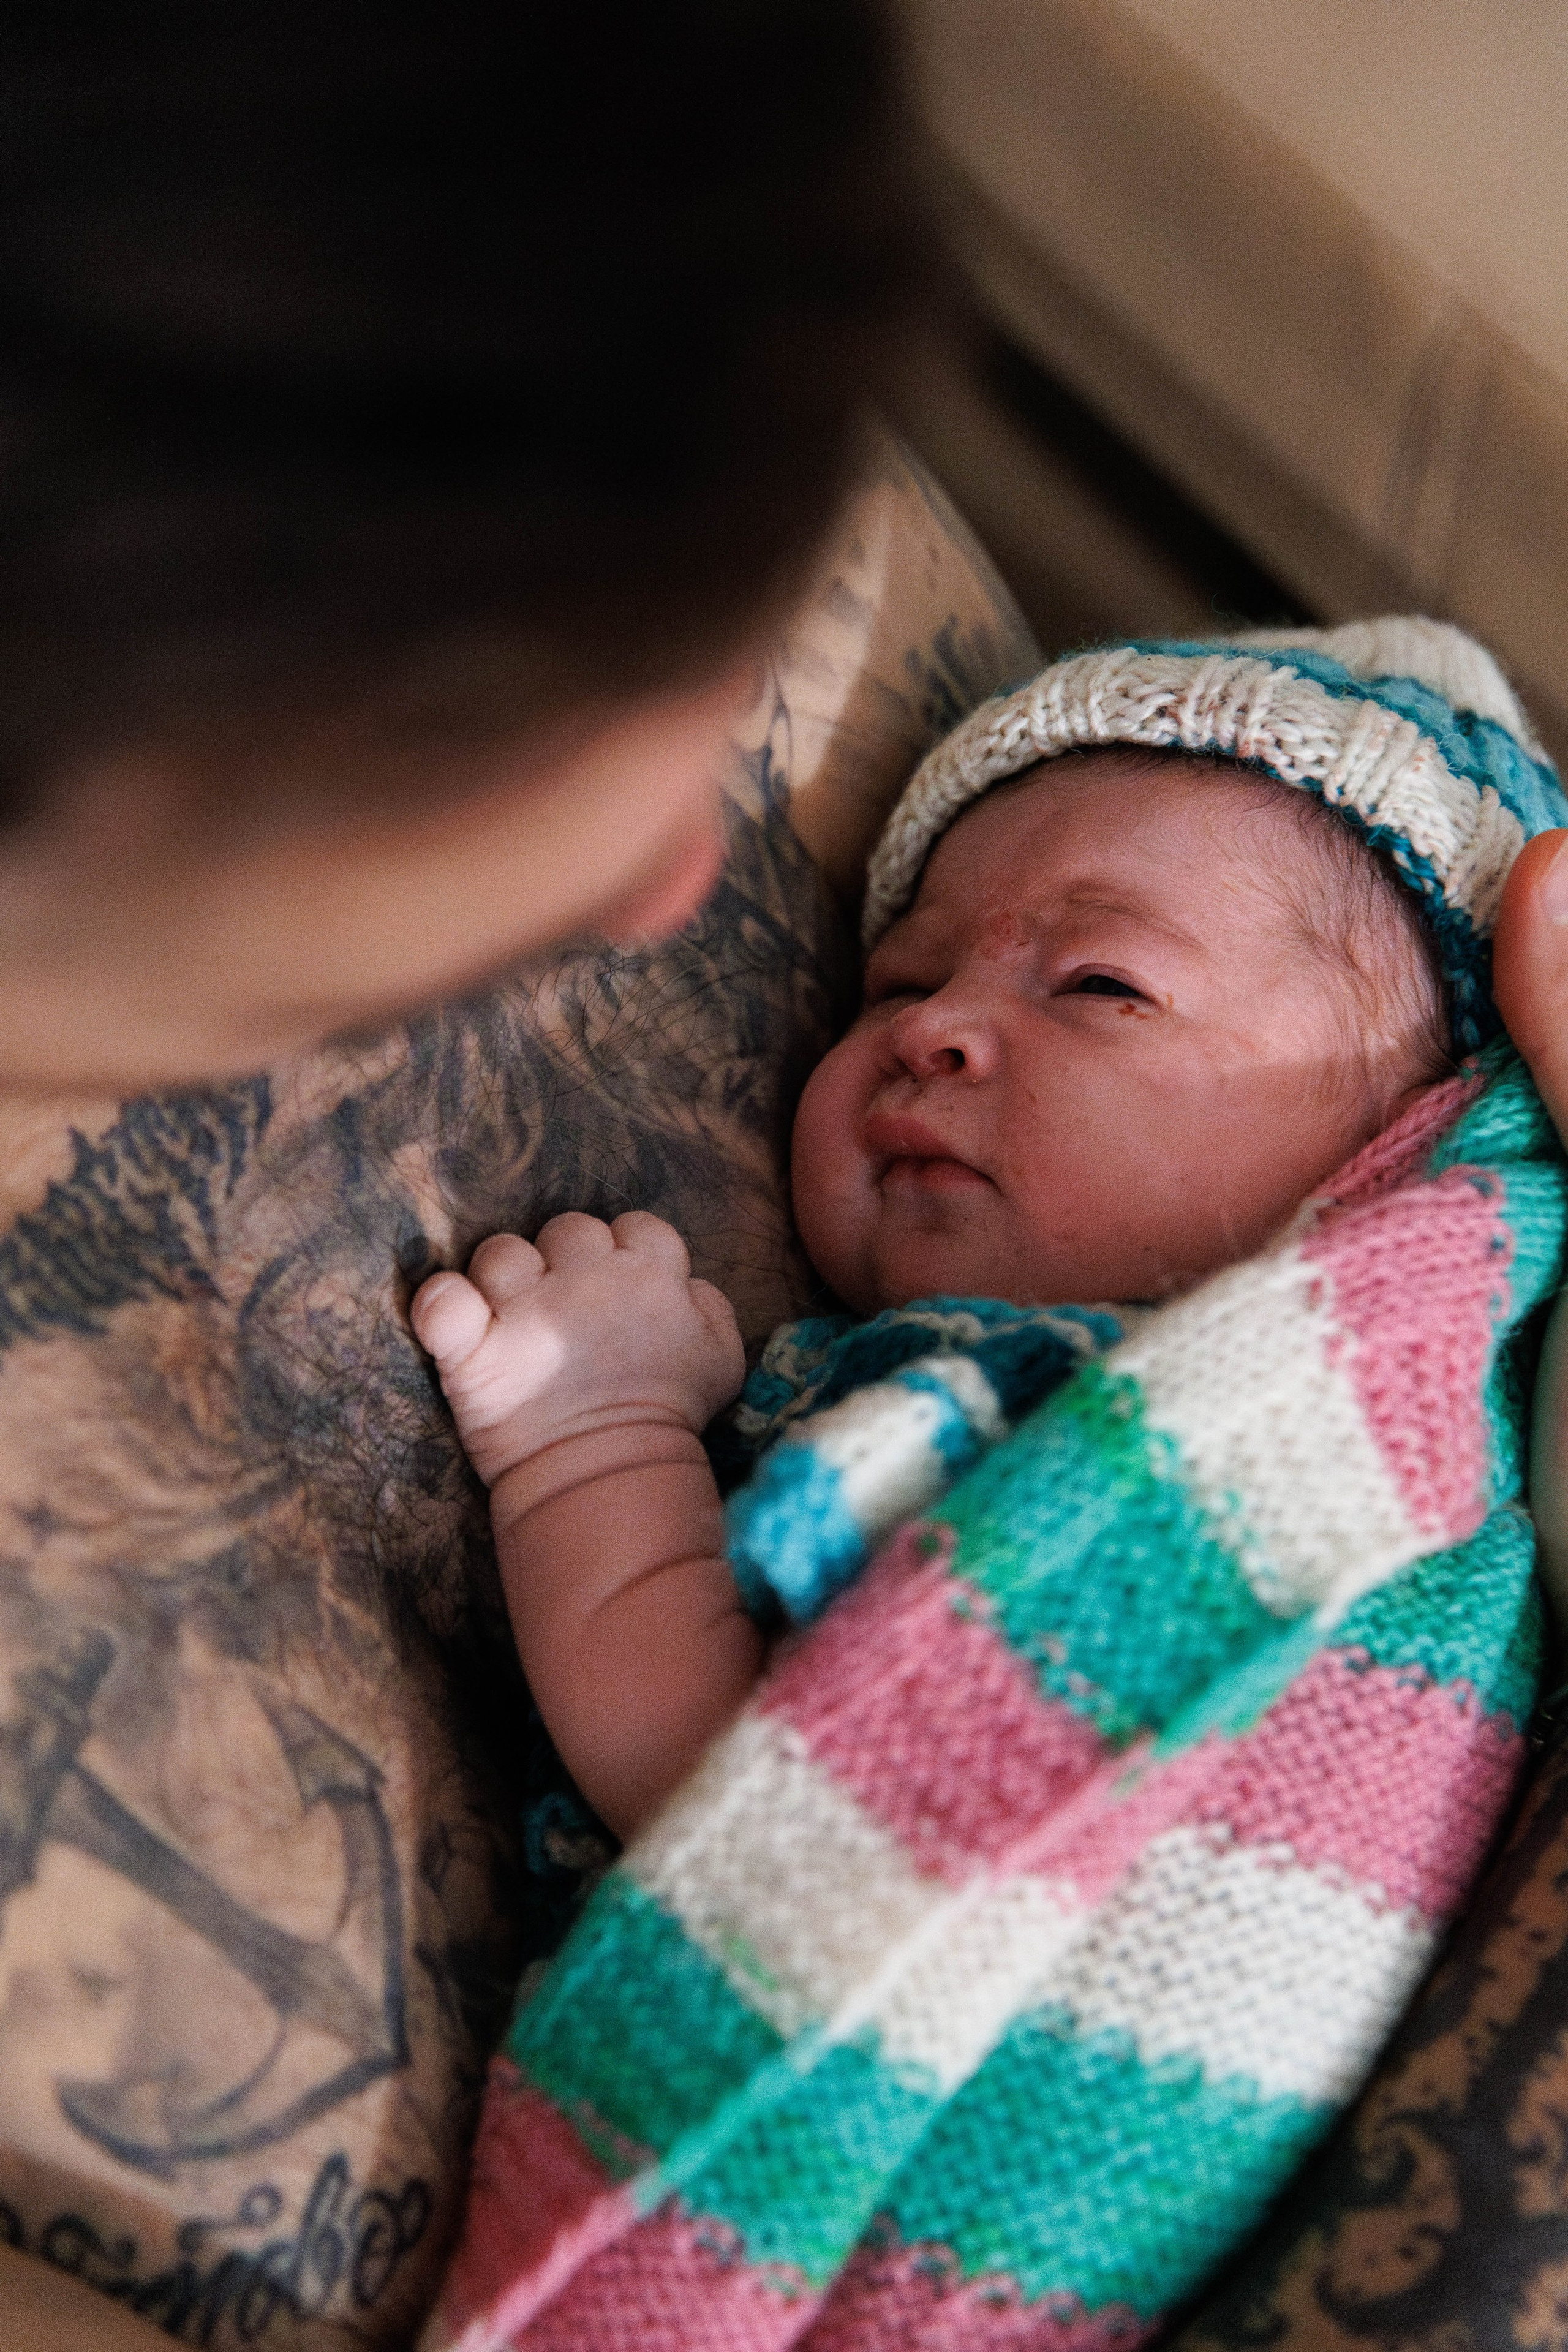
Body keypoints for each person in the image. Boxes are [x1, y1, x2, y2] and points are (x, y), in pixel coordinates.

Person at [407, 622, 1566, 2343]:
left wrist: (596, 1441)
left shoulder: (1128, 1424)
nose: (936, 1029)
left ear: (1396, 1133)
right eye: (897, 983)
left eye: (1100, 985)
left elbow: (747, 1800)